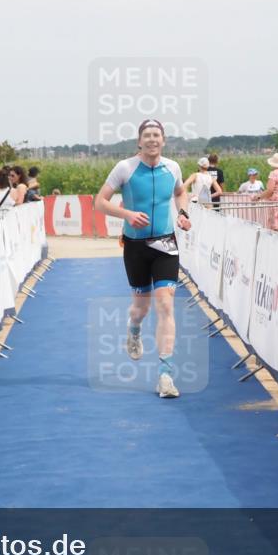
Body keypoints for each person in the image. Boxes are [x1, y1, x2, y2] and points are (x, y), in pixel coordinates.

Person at [94, 118, 192, 399]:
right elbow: (99, 202)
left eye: (157, 135)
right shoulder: (125, 168)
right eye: (147, 135)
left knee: (166, 304)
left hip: (165, 243)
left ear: (163, 140)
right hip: (136, 246)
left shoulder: (172, 167)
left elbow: (180, 192)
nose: (152, 139)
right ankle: (134, 329)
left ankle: (165, 375)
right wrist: (127, 215)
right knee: (141, 308)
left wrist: (183, 214)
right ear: (139, 141)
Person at [257, 155, 278, 232]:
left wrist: (258, 197)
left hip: (275, 202)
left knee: (274, 228)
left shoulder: (273, 173)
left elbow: (270, 190)